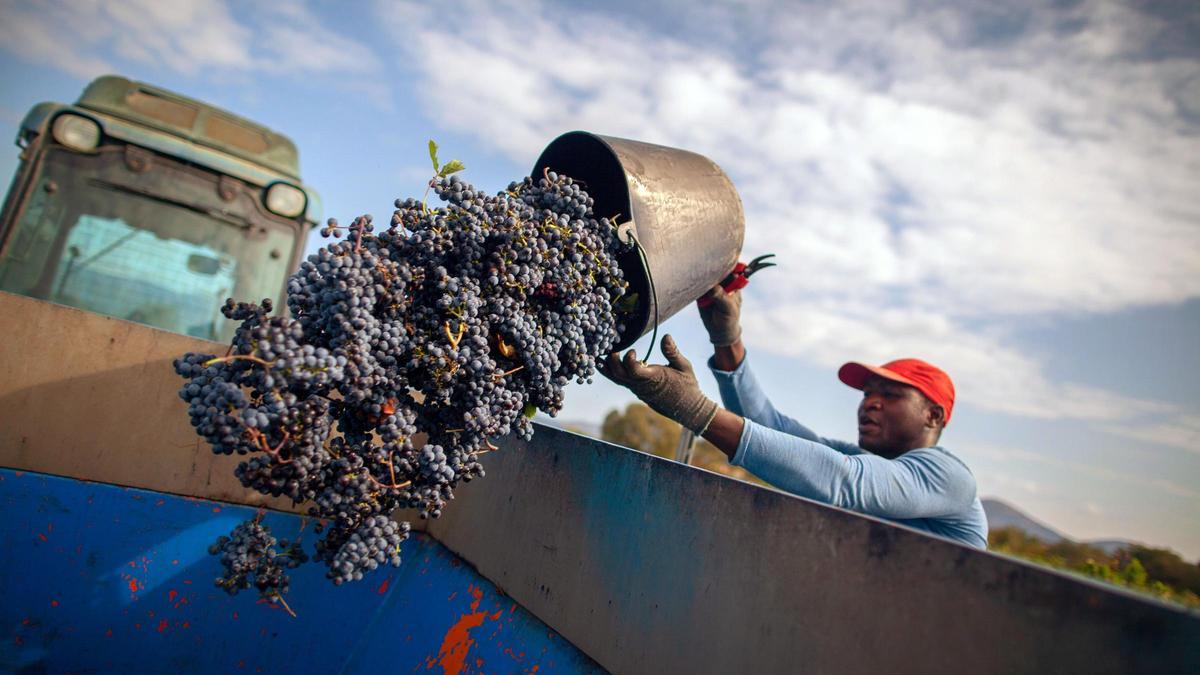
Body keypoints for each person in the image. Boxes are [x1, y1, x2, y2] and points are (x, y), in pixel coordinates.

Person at [601, 285, 988, 549]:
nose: (869, 403)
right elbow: (773, 428)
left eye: (889, 394)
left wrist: (697, 411)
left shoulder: (949, 478)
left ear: (934, 416)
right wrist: (727, 341)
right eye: (867, 393)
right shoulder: (869, 464)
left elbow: (842, 481)